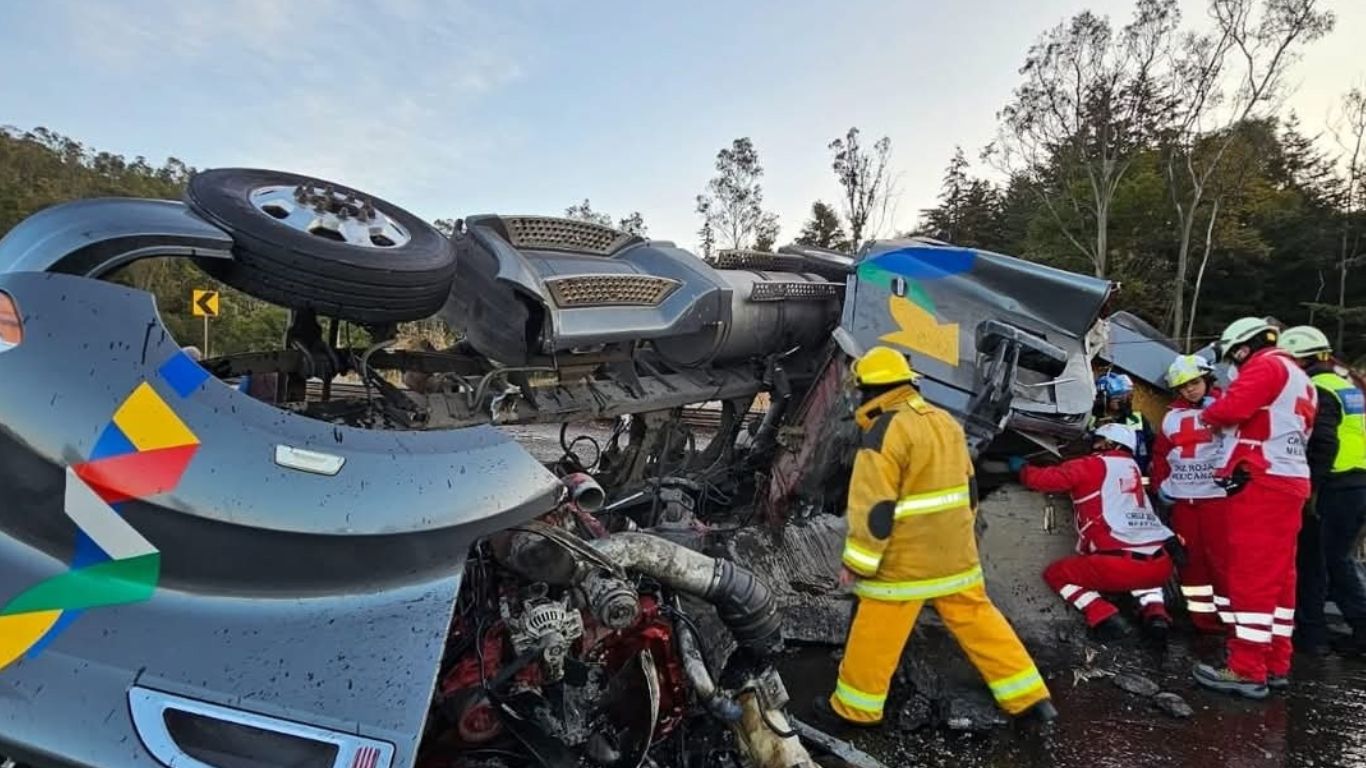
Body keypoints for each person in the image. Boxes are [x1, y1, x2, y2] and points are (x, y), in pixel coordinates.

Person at [819, 346, 1056, 729]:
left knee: (874, 631)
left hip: (904, 562)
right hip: (955, 557)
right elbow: (969, 487)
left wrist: (856, 563)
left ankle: (854, 710)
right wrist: (962, 540)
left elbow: (874, 511)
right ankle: (1031, 701)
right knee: (980, 621)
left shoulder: (883, 431)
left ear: (868, 390)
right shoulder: (945, 422)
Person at [1192, 318, 1315, 699]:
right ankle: (1276, 662)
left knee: (1251, 576)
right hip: (1289, 481)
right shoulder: (1301, 378)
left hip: (1260, 482)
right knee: (1280, 580)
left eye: (1234, 358)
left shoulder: (1266, 366)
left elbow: (1230, 408)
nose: (1235, 366)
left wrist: (1208, 416)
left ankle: (1246, 669)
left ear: (1243, 348)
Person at [1015, 423, 1176, 642]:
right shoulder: (1132, 467)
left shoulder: (1092, 465)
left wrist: (1022, 469)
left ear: (1110, 443)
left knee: (1057, 574)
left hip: (1117, 565)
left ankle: (1102, 614)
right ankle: (1156, 613)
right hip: (1160, 564)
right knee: (1146, 579)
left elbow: (1046, 480)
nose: (1094, 444)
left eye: (1098, 439)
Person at [1278, 325, 1366, 657]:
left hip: (1334, 485)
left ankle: (1334, 630)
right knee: (1334, 558)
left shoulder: (1316, 388)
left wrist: (1309, 489)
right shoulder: (1345, 385)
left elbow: (1323, 443)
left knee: (1323, 560)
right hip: (1356, 481)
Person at [1151, 354, 1231, 634]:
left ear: (1208, 379)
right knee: (1190, 561)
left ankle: (1233, 619)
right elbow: (1161, 455)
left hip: (1217, 500)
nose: (1190, 390)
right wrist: (1161, 486)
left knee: (1222, 560)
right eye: (1184, 386)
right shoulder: (1171, 417)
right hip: (1184, 501)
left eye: (1195, 382)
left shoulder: (1226, 408)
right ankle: (1203, 620)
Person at [1095, 372, 1154, 474]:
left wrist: (1152, 461)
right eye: (1118, 398)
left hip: (1136, 473)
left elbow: (1151, 442)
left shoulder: (1136, 418)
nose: (1125, 400)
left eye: (1127, 396)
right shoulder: (1093, 421)